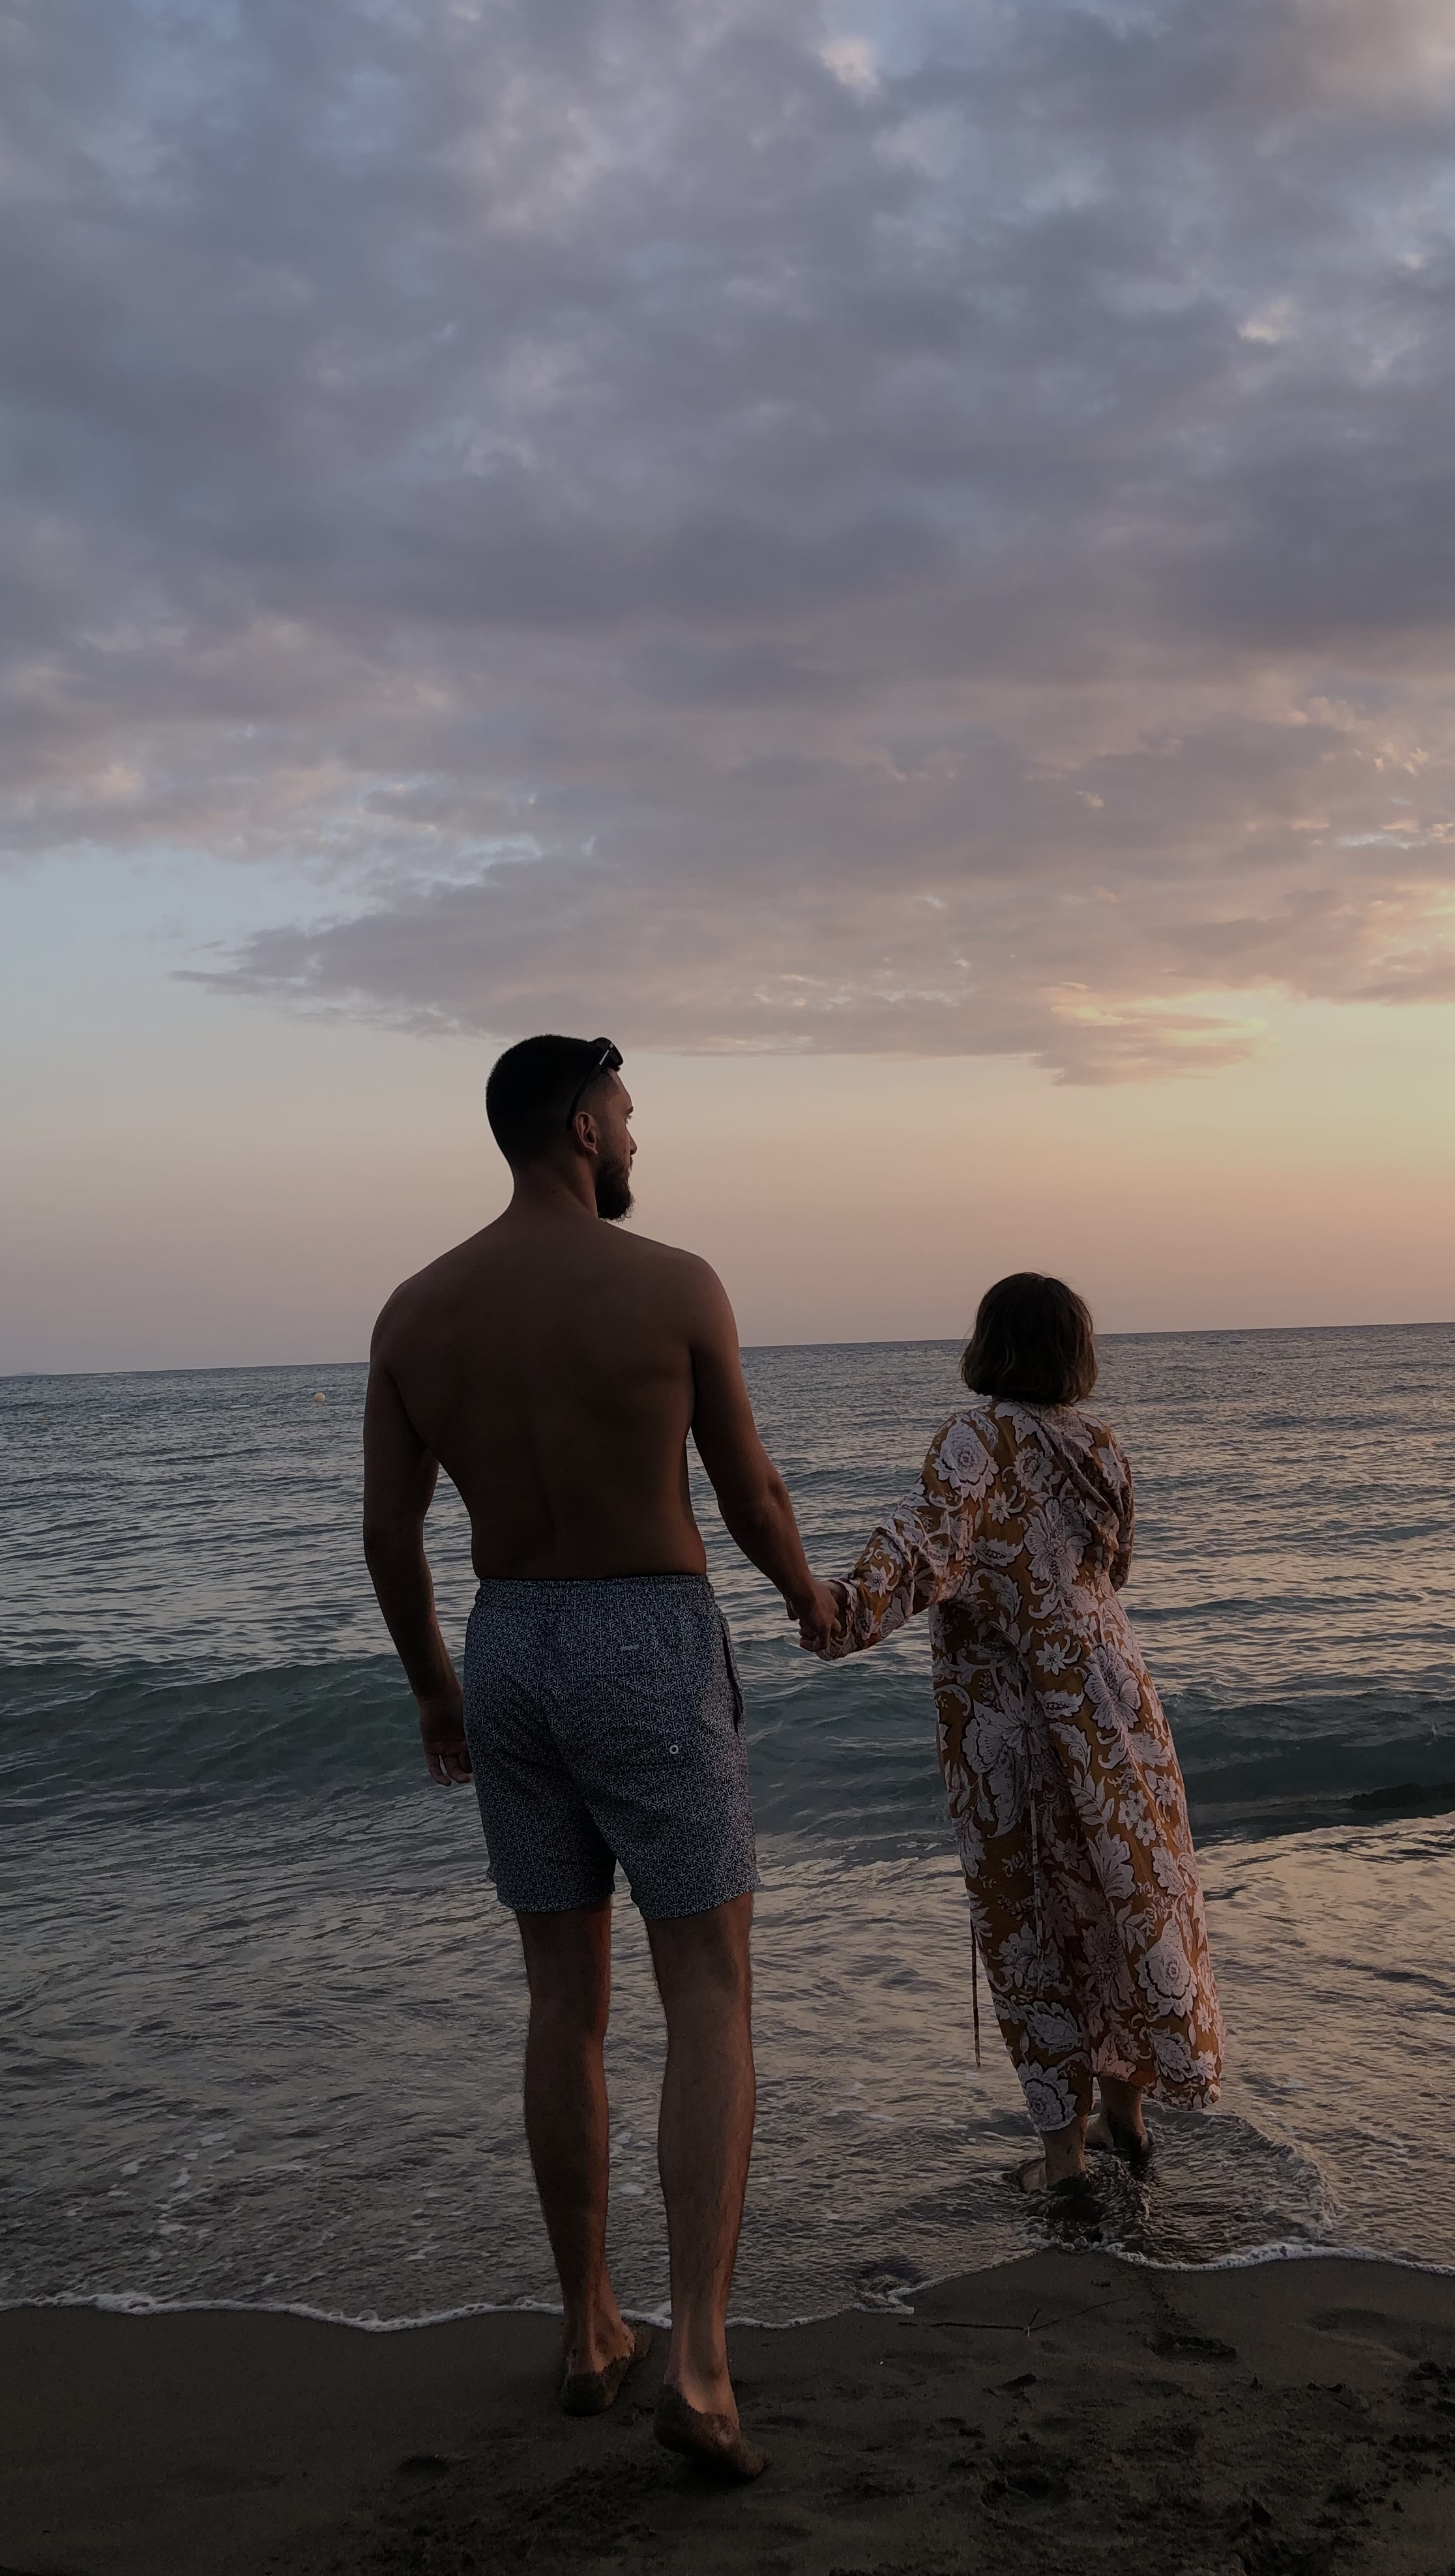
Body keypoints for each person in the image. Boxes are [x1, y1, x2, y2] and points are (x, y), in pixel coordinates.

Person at [361, 1034, 837, 2480]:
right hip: (646, 1636)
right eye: (627, 1116)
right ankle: (699, 2361)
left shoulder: (416, 1311)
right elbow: (747, 1490)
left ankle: (587, 2333)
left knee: (563, 1997)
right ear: (581, 1126)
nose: (636, 1140)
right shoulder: (674, 1284)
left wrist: (438, 1690)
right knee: (709, 1988)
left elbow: (389, 1533)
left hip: (510, 1640)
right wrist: (810, 1598)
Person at [805, 1272, 1221, 2206]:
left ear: (987, 1343)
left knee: (1031, 1925)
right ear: (1076, 1351)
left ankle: (1065, 2164)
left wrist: (837, 1609)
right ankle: (1128, 2123)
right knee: (1115, 1902)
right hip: (1117, 1706)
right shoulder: (1100, 1447)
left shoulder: (975, 1438)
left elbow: (925, 1549)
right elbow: (1113, 1568)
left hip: (1018, 1718)